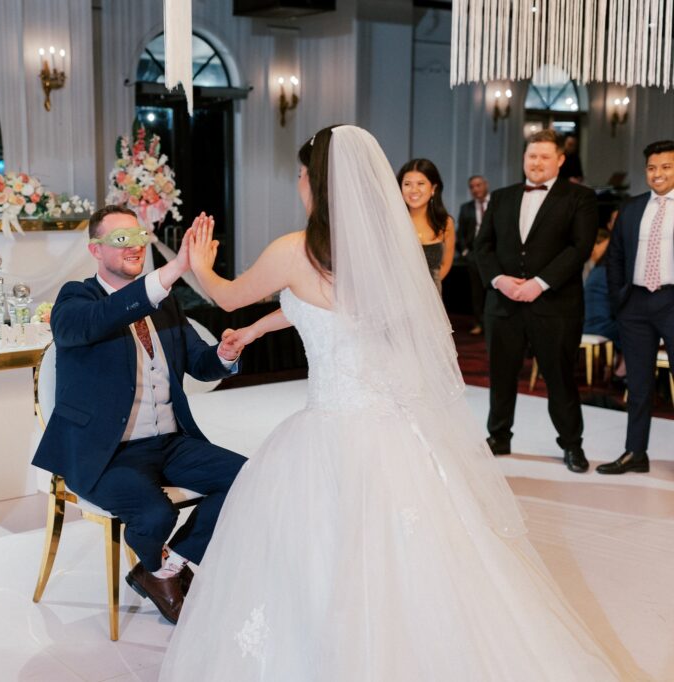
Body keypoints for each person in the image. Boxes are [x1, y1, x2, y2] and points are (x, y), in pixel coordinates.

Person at [157, 125, 621, 680]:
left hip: (328, 428)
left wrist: (198, 259)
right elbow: (329, 309)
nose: (298, 185)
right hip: (392, 425)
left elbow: (226, 295)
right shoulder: (381, 247)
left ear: (317, 182)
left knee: (321, 554)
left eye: (302, 176)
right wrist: (260, 329)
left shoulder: (294, 249)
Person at [32, 205, 246, 625]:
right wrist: (174, 270)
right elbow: (99, 321)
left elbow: (198, 362)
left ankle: (166, 568)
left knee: (250, 479)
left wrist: (223, 355)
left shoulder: (165, 306)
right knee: (155, 514)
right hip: (106, 452)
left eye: (138, 236)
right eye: (120, 239)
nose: (134, 246)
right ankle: (162, 570)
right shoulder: (76, 299)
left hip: (169, 441)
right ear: (95, 249)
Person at [474, 128, 597, 472]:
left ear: (559, 159)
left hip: (555, 306)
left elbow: (580, 248)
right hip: (503, 305)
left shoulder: (580, 198)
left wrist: (539, 284)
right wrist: (500, 280)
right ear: (524, 159)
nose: (537, 163)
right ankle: (498, 437)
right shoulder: (502, 197)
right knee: (500, 376)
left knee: (559, 379)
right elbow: (482, 248)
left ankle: (572, 445)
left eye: (545, 156)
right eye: (532, 156)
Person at [599, 139, 674, 474]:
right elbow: (614, 256)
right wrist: (620, 298)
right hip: (636, 304)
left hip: (672, 300)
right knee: (638, 384)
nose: (657, 174)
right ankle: (635, 452)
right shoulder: (631, 207)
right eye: (652, 167)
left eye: (666, 167)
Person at [398, 158, 455, 295]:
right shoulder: (392, 221)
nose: (414, 190)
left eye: (421, 183)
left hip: (431, 297)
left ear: (433, 188)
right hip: (396, 297)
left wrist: (425, 292)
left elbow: (446, 264)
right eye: (407, 184)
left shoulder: (445, 223)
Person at [457, 175, 490, 333]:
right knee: (476, 291)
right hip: (474, 254)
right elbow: (461, 232)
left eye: (478, 185)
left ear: (486, 185)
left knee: (492, 290)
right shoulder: (466, 208)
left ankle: (492, 324)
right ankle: (479, 323)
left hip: (493, 252)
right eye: (472, 187)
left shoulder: (497, 203)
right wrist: (465, 252)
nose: (476, 189)